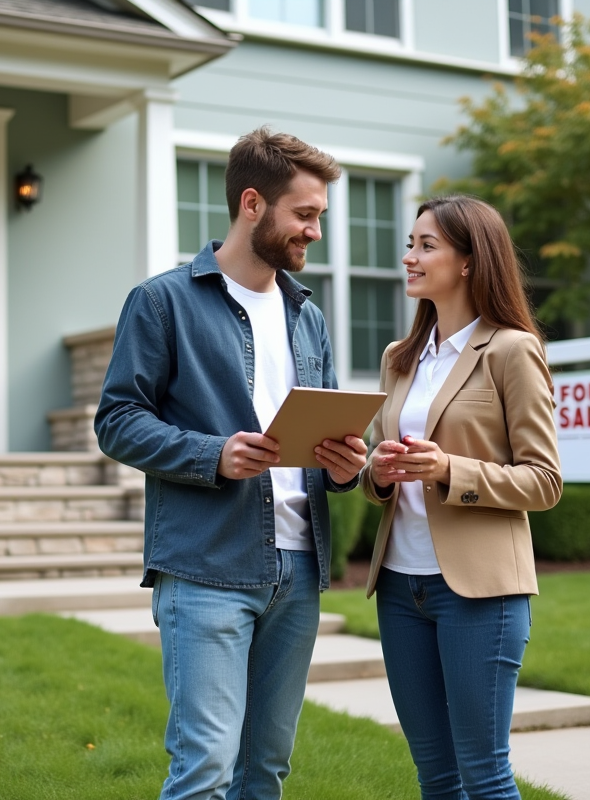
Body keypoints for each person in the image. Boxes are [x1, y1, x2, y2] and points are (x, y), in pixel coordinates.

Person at [95, 127, 368, 800]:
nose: (315, 232)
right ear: (253, 203)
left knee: (265, 771)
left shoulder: (309, 318)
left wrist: (345, 465)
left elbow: (327, 436)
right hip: (206, 568)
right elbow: (116, 421)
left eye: (319, 217)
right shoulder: (163, 302)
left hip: (298, 569)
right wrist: (212, 454)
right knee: (205, 772)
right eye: (304, 215)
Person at [360, 195, 562, 800]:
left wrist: (450, 469)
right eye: (410, 244)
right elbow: (379, 465)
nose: (408, 258)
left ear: (471, 261)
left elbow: (544, 480)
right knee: (436, 779)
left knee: (485, 775)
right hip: (399, 586)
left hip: (479, 592)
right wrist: (379, 471)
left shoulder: (511, 349)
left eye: (426, 246)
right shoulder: (399, 359)